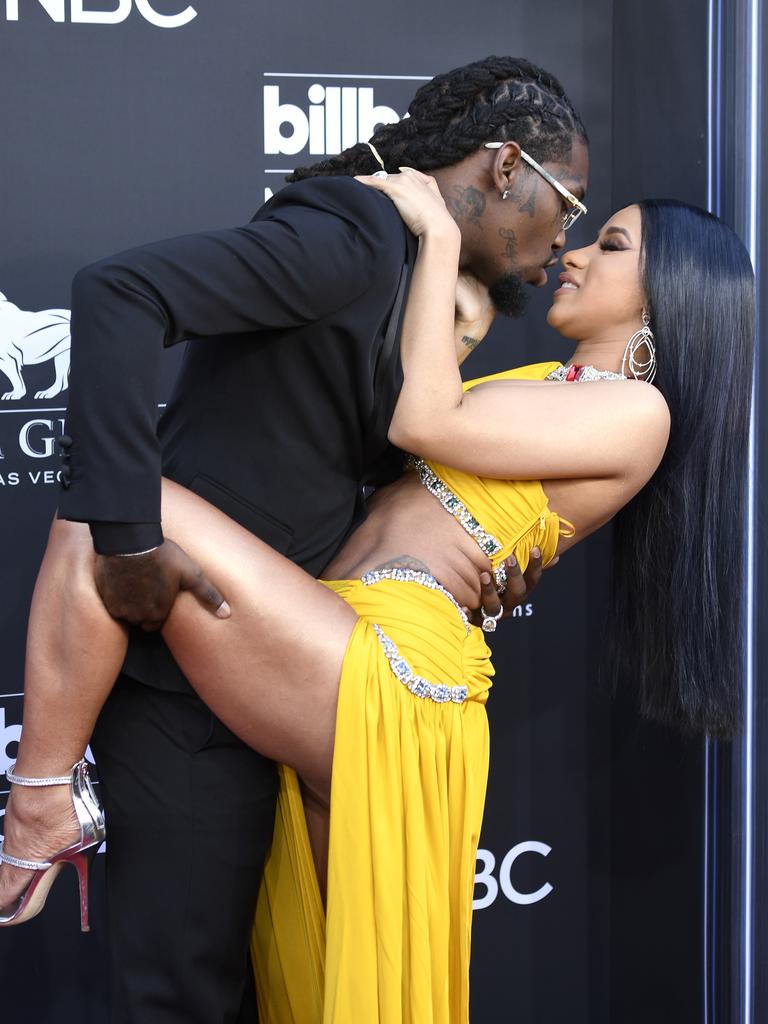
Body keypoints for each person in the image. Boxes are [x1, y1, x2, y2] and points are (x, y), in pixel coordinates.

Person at [0, 169, 754, 1024]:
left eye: (610, 245)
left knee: (122, 501)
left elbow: (421, 423)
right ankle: (49, 796)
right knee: (323, 991)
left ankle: (42, 801)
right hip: (345, 642)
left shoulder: (638, 411)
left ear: (670, 298)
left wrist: (435, 237)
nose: (574, 255)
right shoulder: (552, 381)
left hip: (392, 673)